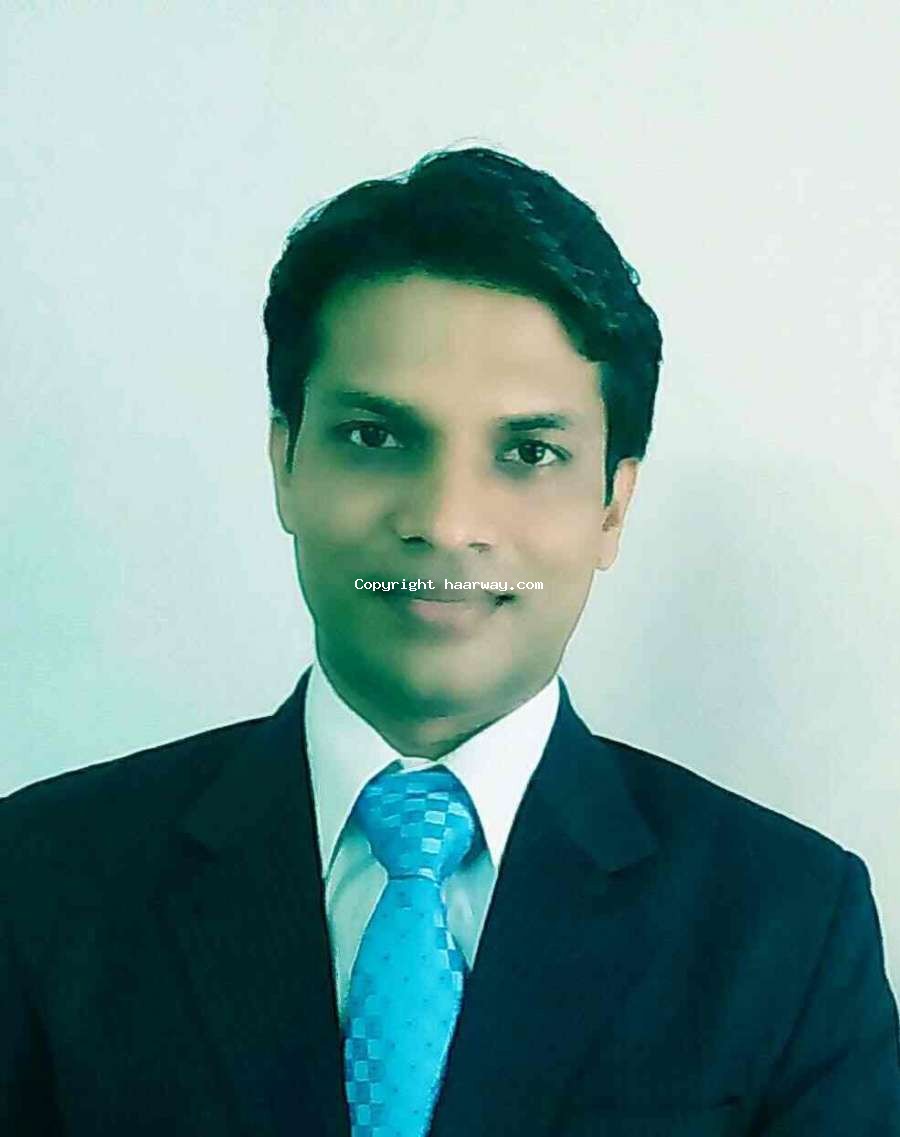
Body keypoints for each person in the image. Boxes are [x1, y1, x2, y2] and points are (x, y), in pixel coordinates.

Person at [2, 147, 898, 1137]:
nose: (446, 520)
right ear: (284, 460)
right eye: (376, 437)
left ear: (613, 505)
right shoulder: (40, 880)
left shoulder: (786, 922)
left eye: (529, 452)